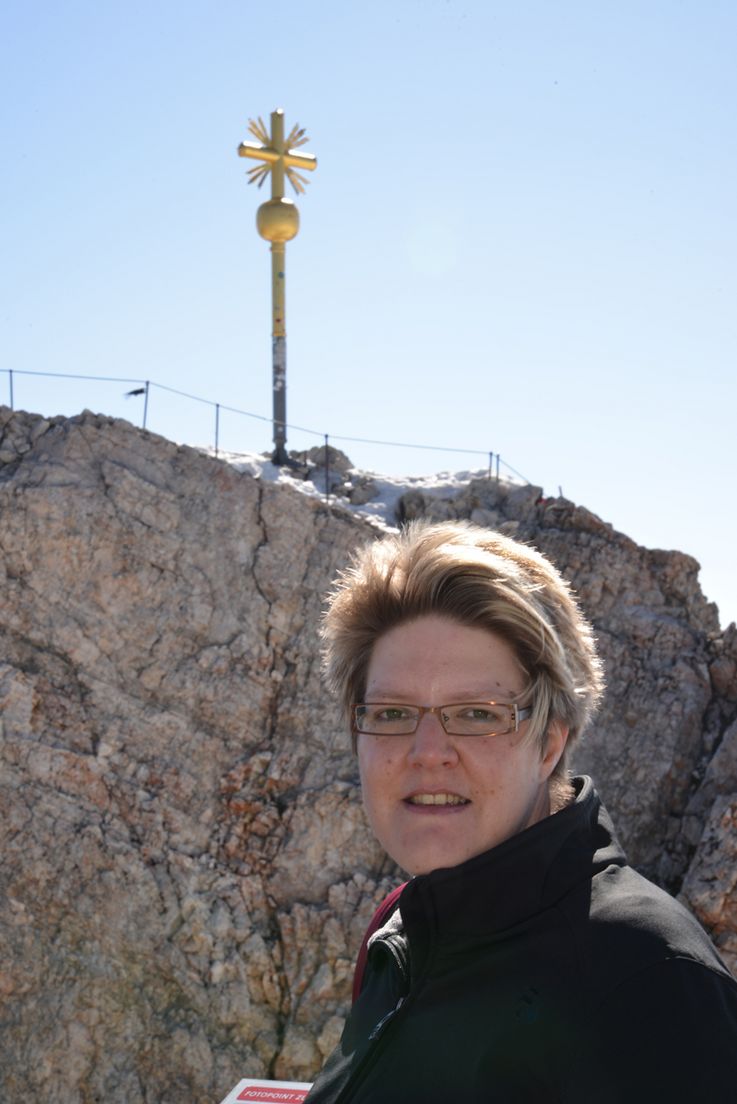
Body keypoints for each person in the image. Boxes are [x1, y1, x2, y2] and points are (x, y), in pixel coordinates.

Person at [304, 521, 737, 1103]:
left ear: (551, 742)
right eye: (390, 713)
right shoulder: (405, 935)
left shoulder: (649, 979)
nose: (428, 752)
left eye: (478, 714)